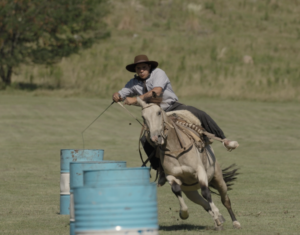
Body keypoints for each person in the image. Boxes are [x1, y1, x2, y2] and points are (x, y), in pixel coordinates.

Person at [112, 55, 237, 183]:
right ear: (136, 70)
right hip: (155, 115)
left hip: (171, 107)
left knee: (199, 113)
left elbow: (157, 92)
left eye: (144, 67)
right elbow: (121, 93)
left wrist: (135, 100)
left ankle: (223, 139)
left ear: (149, 67)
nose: (141, 70)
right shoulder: (133, 82)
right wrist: (116, 95)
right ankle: (160, 169)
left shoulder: (159, 73)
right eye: (138, 68)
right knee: (145, 139)